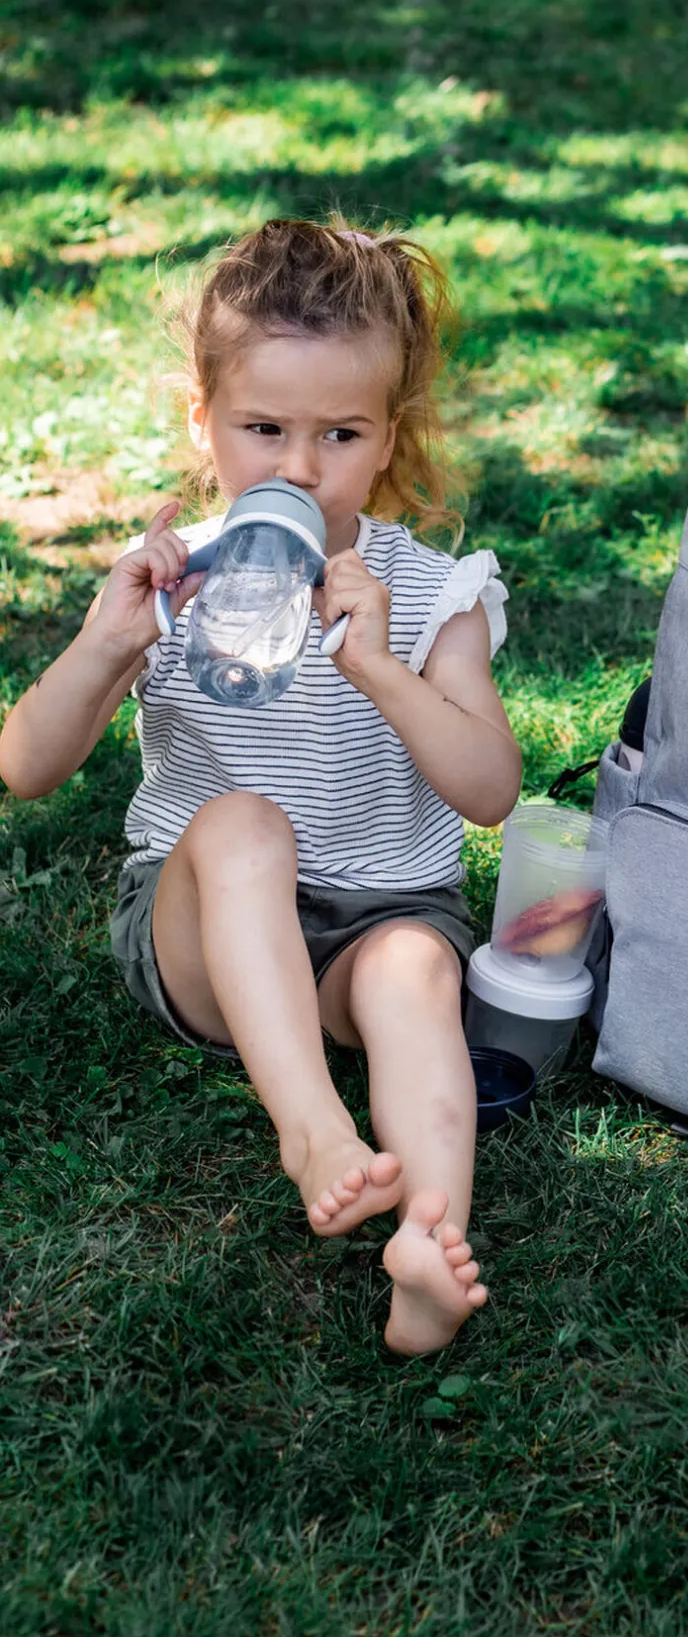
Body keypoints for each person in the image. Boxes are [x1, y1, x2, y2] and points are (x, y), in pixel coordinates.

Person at [0, 218, 522, 1356]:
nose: (299, 466)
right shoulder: (176, 579)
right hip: (208, 934)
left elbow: (489, 790)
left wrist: (380, 664)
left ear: (389, 438)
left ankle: (428, 1244)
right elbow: (26, 766)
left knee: (417, 970)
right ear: (205, 424)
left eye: (339, 433)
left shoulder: (432, 592)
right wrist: (103, 645)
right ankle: (313, 1131)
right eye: (264, 429)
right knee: (240, 818)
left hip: (376, 911)